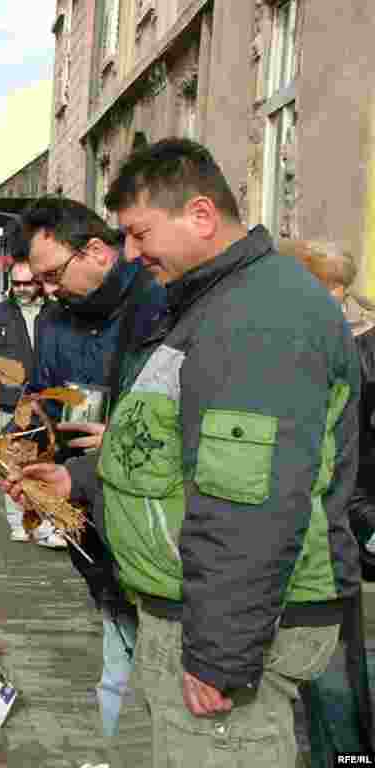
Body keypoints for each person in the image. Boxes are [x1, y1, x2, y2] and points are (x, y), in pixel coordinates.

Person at [7, 138, 361, 767]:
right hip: (194, 607)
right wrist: (82, 480)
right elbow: (174, 442)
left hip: (228, 623)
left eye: (140, 234)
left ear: (201, 215)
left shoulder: (261, 317)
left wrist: (220, 654)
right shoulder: (211, 304)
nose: (130, 252)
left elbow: (250, 503)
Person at [20, 196, 166, 742]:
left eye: (53, 274)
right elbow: (44, 397)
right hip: (89, 514)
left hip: (156, 524)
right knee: (118, 653)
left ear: (98, 251)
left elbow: (185, 413)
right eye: (40, 281)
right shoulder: (55, 322)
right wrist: (31, 438)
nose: (48, 289)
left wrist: (123, 437)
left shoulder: (160, 302)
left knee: (165, 678)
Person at [281, 239, 375, 765]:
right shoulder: (332, 352)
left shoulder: (339, 353)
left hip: (328, 551)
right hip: (318, 548)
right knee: (328, 696)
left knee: (338, 698)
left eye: (339, 294)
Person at [0, 246, 58, 545]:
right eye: (16, 283)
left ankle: (45, 524)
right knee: (13, 465)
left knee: (45, 462)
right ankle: (17, 522)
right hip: (11, 402)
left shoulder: (55, 312)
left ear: (39, 282)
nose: (21, 289)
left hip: (46, 402)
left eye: (27, 283)